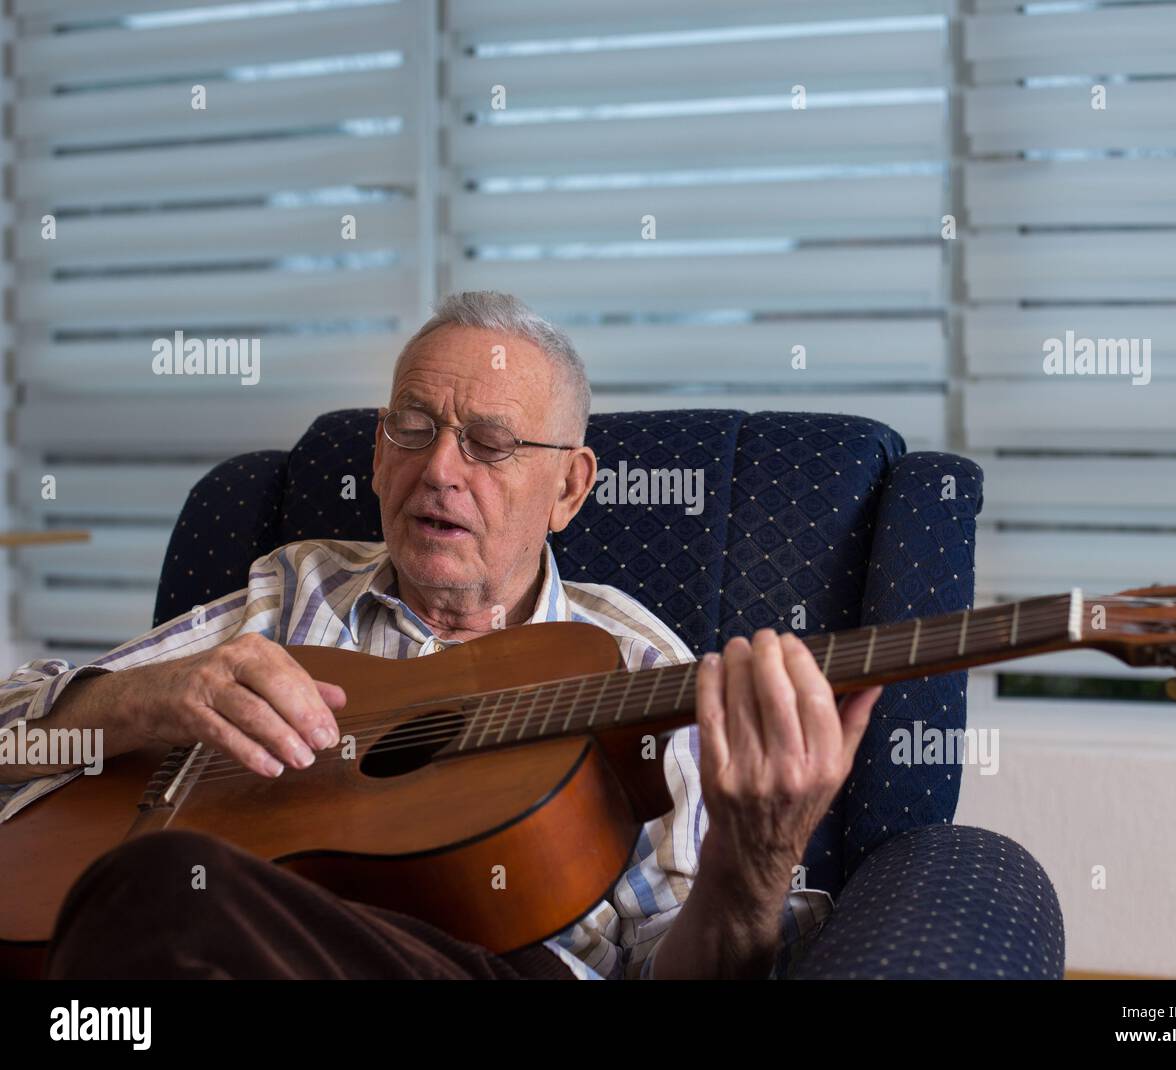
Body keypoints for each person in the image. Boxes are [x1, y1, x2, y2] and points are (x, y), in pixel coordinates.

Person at [0, 291, 879, 980]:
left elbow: (677, 970)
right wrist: (138, 701)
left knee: (161, 891)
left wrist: (754, 861)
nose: (440, 471)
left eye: (490, 445)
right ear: (379, 457)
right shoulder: (296, 586)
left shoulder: (641, 663)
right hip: (232, 944)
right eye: (412, 431)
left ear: (569, 489)